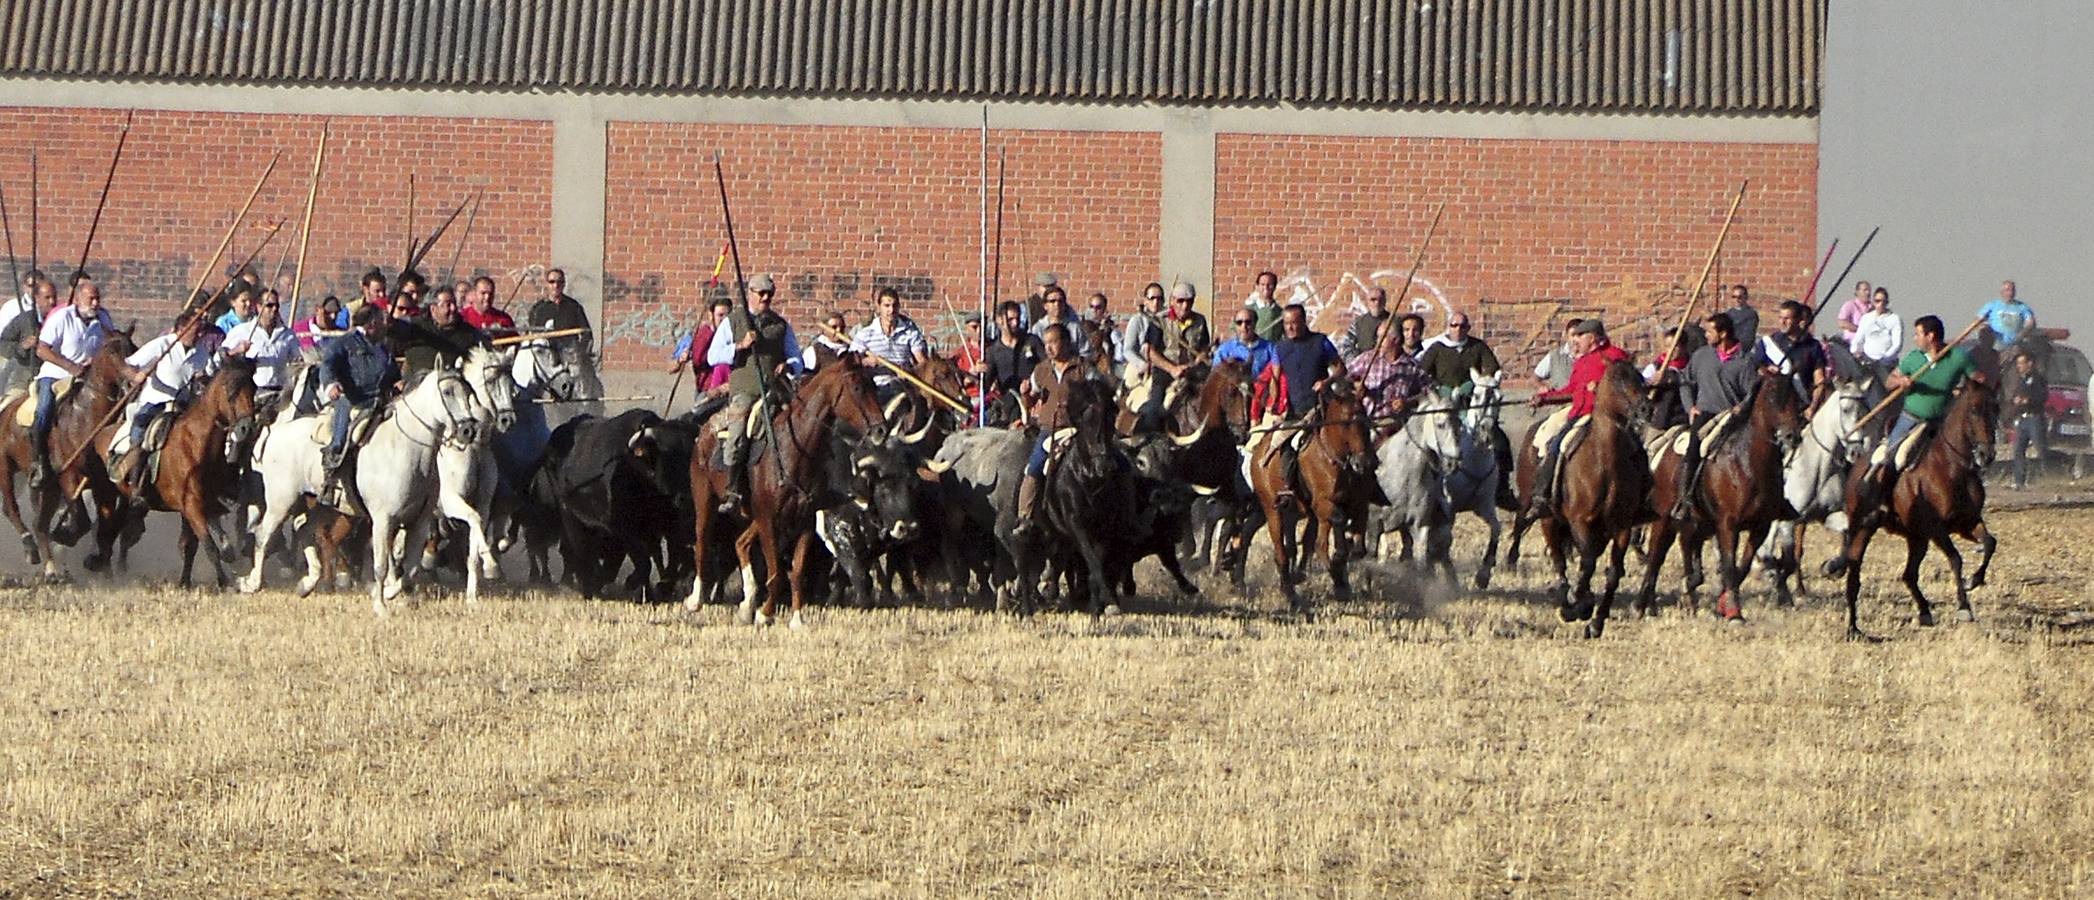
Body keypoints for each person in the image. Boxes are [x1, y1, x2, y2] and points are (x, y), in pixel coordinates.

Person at [1853, 315, 1982, 526]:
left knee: (1964, 456)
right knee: (1893, 456)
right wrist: (1900, 381)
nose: (1915, 338)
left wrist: (1979, 385)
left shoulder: (1957, 357)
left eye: (1918, 334)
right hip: (1911, 420)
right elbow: (1888, 381)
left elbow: (1977, 377)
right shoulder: (1913, 358)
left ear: (1930, 336)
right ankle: (1882, 502)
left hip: (1941, 422)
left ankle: (1966, 501)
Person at [707, 274, 801, 513]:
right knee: (738, 430)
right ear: (750, 293)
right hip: (746, 391)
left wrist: (789, 365)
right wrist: (740, 346)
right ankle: (733, 487)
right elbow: (712, 356)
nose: (766, 298)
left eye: (770, 294)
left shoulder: (781, 325)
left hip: (775, 390)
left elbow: (796, 356)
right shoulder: (734, 321)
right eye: (761, 293)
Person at [1523, 318, 1630, 519]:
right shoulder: (1581, 361)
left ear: (1593, 338)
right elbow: (1570, 391)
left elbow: (1629, 386)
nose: (1576, 341)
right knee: (1556, 445)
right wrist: (1544, 398)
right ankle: (1542, 496)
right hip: (1578, 414)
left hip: (1606, 418)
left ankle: (1643, 495)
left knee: (1635, 449)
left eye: (1581, 336)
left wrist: (1601, 390)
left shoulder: (1616, 357)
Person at [1011, 323, 1101, 536]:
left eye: (1054, 342)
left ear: (1066, 342)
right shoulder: (1041, 370)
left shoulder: (1083, 369)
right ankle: (1025, 517)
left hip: (1078, 429)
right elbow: (1031, 397)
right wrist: (1026, 394)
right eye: (1046, 343)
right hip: (1049, 430)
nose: (1049, 348)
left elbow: (1100, 394)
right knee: (1033, 468)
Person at [108, 311, 216, 488]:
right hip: (155, 403)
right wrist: (136, 376)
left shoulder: (201, 352)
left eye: (201, 331)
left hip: (182, 405)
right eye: (196, 331)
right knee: (141, 430)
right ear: (181, 329)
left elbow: (211, 375)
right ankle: (135, 480)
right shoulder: (162, 344)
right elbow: (128, 365)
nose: (199, 335)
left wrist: (203, 379)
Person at [27, 277, 117, 488]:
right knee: (44, 410)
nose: (95, 303)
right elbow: (42, 349)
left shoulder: (103, 318)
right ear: (77, 299)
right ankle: (39, 460)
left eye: (97, 299)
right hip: (56, 374)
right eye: (91, 299)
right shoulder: (61, 317)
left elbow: (109, 345)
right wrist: (69, 366)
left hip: (88, 378)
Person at [1250, 304, 1343, 505]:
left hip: (1321, 407)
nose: (1290, 328)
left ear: (1303, 321)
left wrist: (1326, 381)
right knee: (1284, 444)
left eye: (1294, 323)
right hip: (1294, 411)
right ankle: (1289, 488)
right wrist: (1273, 402)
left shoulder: (1321, 342)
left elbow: (1340, 369)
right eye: (1286, 324)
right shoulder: (1280, 348)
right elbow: (1275, 377)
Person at [318, 303, 402, 480]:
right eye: (382, 321)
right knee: (344, 430)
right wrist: (331, 384)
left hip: (380, 402)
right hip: (353, 400)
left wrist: (399, 383)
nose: (385, 325)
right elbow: (327, 364)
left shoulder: (382, 348)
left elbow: (393, 373)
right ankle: (332, 467)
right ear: (372, 324)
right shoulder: (345, 343)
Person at [1136, 282, 1211, 431]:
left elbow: (1204, 348)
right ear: (1172, 301)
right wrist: (1172, 369)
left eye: (1189, 301)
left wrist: (1196, 361)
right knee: (1155, 408)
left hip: (1192, 373)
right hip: (1165, 373)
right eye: (1180, 301)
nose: (1184, 306)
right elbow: (1151, 352)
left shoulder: (1200, 321)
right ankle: (1151, 441)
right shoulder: (1159, 320)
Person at [527, 267, 600, 398]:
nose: (556, 285)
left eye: (560, 282)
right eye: (552, 282)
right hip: (549, 360)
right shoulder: (538, 310)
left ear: (564, 284)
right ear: (547, 284)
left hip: (571, 358)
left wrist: (579, 353)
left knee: (586, 389)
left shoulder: (574, 307)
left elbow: (586, 335)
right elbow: (533, 338)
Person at [1346, 315, 1428, 428]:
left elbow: (1426, 393)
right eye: (1377, 337)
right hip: (1367, 422)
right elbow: (1344, 379)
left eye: (1382, 337)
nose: (1377, 341)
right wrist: (1356, 387)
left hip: (1396, 425)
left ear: (1396, 340)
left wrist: (1407, 402)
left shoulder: (1412, 366)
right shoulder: (1367, 359)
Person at [221, 288, 299, 406]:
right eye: (269, 305)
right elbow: (219, 357)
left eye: (277, 306)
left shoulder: (287, 334)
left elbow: (298, 358)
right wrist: (237, 350)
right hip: (254, 395)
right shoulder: (243, 331)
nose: (274, 309)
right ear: (258, 307)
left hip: (280, 394)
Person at [1681, 313, 1758, 428]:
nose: (1706, 335)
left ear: (1723, 334)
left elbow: (1752, 392)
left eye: (1710, 332)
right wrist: (1690, 408)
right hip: (1704, 415)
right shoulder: (1701, 355)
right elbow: (1686, 383)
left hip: (1730, 418)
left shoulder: (1744, 362)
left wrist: (1741, 407)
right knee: (1693, 444)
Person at [852, 286, 929, 395]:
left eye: (894, 306)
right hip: (873, 387)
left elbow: (922, 361)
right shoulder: (865, 334)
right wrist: (866, 361)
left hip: (902, 385)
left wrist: (909, 372)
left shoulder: (910, 333)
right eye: (887, 306)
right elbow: (850, 362)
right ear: (879, 307)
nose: (891, 310)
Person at [395, 287, 483, 376]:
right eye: (448, 304)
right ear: (433, 309)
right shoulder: (415, 327)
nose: (453, 308)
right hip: (416, 384)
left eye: (454, 303)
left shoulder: (468, 333)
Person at [1417, 312, 1501, 402]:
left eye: (1462, 326)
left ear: (1468, 328)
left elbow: (1492, 367)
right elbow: (1422, 370)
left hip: (1469, 393)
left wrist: (1477, 381)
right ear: (1449, 327)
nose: (1458, 329)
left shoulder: (1478, 346)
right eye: (1454, 325)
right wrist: (1435, 385)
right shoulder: (1437, 347)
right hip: (1442, 392)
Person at [1755, 299, 1829, 401]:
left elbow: (1819, 380)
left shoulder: (1813, 346)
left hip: (1801, 403)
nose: (1782, 322)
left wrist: (1811, 408)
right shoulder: (1767, 343)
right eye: (1780, 318)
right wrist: (1768, 370)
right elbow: (1757, 369)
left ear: (1798, 320)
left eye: (1787, 318)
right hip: (1769, 401)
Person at [0, 277, 58, 395]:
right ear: (37, 298)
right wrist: (22, 347)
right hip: (23, 378)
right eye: (47, 297)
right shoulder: (25, 319)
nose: (52, 302)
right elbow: (3, 343)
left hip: (54, 378)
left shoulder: (62, 319)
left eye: (54, 297)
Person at [981, 301, 1044, 403]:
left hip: (1034, 399)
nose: (1015, 323)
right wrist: (979, 374)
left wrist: (1033, 383)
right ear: (999, 320)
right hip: (1010, 403)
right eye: (1010, 320)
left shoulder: (1032, 341)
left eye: (1017, 319)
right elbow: (986, 385)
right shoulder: (993, 351)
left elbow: (1047, 367)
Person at [2003, 350, 2048, 490]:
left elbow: (2042, 396)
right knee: (2018, 450)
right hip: (2022, 420)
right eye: (2017, 364)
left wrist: (2028, 400)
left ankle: (2055, 471)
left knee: (2041, 449)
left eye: (2022, 363)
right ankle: (2019, 481)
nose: (2019, 366)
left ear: (2030, 363)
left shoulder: (2038, 379)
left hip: (2035, 418)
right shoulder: (2021, 380)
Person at [672, 297, 734, 390]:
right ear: (710, 315)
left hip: (730, 388)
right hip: (707, 389)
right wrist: (680, 359)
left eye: (727, 315)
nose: (724, 319)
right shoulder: (698, 336)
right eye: (720, 315)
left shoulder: (734, 334)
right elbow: (671, 367)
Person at [1210, 306, 1279, 378]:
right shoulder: (1225, 350)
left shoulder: (1270, 349)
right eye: (1239, 323)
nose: (1244, 326)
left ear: (1255, 323)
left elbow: (1276, 375)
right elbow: (1215, 377)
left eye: (1248, 322)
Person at [1119, 283, 1167, 379]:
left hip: (1164, 366)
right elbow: (1128, 350)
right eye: (1152, 298)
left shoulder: (1168, 320)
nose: (1155, 302)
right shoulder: (1137, 320)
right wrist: (1142, 364)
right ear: (1145, 301)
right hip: (1140, 366)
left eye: (1159, 298)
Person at [1852, 287, 1902, 375]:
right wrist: (1855, 351)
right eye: (1878, 301)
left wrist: (1885, 358)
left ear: (1887, 303)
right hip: (1867, 362)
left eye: (1884, 301)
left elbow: (1897, 344)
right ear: (1873, 302)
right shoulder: (1866, 318)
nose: (1881, 304)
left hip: (1886, 364)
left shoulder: (1894, 319)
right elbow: (1858, 339)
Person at [1977, 280, 2036, 350]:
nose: (2010, 293)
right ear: (2001, 292)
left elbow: (2030, 323)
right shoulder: (1992, 305)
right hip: (1995, 345)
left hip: (2015, 346)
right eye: (2007, 290)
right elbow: (1978, 320)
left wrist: (2022, 333)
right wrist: (1985, 330)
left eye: (2012, 290)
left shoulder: (2022, 307)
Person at [1028, 286, 1085, 356]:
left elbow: (1085, 353)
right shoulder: (1038, 328)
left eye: (1060, 301)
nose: (1057, 304)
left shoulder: (1075, 328)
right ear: (1045, 306)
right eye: (1052, 301)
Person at [1342, 288, 1391, 362]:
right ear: (1367, 301)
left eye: (1380, 299)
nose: (1377, 303)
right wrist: (1356, 363)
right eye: (1373, 300)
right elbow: (1346, 345)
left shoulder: (1393, 321)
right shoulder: (1358, 323)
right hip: (1364, 366)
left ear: (1385, 301)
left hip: (1388, 366)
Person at [1534, 318, 1584, 391]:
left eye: (1580, 335)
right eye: (1573, 335)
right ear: (1567, 336)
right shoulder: (1554, 356)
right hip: (1561, 400)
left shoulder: (1593, 356)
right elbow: (1536, 377)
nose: (1576, 339)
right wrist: (1542, 387)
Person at [798, 309, 852, 373]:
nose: (839, 330)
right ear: (824, 330)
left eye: (842, 327)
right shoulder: (813, 351)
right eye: (834, 327)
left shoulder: (850, 350)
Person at [1083, 293, 1120, 369]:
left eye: (1098, 307)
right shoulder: (1084, 326)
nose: (1094, 310)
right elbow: (1093, 345)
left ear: (1104, 309)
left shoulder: (1111, 329)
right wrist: (1102, 329)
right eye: (1091, 307)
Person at [1246, 270, 1285, 342]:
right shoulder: (1247, 310)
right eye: (1262, 284)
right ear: (1257, 286)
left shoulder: (1281, 313)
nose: (1266, 287)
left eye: (1270, 284)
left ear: (1275, 287)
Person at [1836, 280, 1874, 349]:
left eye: (1869, 290)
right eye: (1865, 290)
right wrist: (1859, 329)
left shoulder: (1873, 307)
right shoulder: (1850, 305)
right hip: (1851, 342)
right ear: (1857, 292)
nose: (1868, 293)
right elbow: (1841, 323)